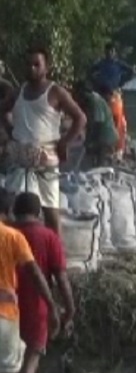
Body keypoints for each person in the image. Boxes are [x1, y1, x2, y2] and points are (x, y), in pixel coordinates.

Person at [0, 45, 87, 235]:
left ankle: (55, 255)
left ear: (46, 67)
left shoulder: (56, 92)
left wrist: (65, 142)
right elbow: (3, 111)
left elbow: (80, 118)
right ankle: (10, 251)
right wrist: (11, 132)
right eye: (29, 64)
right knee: (8, 208)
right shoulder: (18, 92)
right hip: (20, 160)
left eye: (36, 64)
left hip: (46, 160)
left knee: (50, 212)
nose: (32, 68)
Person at [5, 193, 72, 373]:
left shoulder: (10, 233)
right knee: (31, 361)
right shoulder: (48, 237)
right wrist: (68, 309)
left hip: (9, 307)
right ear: (39, 213)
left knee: (16, 362)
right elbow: (61, 278)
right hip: (37, 306)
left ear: (15, 211)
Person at [89, 43, 134, 156]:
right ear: (105, 52)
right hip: (102, 94)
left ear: (114, 53)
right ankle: (99, 145)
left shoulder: (118, 64)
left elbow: (131, 71)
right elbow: (90, 72)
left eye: (112, 51)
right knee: (99, 119)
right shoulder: (101, 64)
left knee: (117, 120)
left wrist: (122, 81)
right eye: (108, 51)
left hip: (114, 94)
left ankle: (116, 146)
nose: (109, 53)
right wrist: (95, 83)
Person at [75, 81, 118, 169]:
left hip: (105, 136)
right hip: (103, 136)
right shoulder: (94, 99)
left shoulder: (93, 100)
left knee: (99, 165)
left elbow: (97, 122)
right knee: (94, 161)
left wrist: (89, 140)